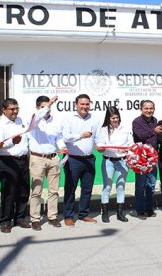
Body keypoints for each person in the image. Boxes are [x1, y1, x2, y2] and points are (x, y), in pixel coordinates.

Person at [0, 98, 46, 233]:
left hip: (22, 161)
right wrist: (12, 142)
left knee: (23, 191)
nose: (15, 111)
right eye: (11, 109)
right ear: (4, 110)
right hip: (6, 161)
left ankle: (19, 218)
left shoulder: (21, 121)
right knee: (9, 192)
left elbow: (32, 128)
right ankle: (5, 221)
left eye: (16, 108)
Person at [62, 94, 100, 226]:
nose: (85, 106)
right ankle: (68, 215)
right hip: (73, 160)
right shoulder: (68, 119)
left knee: (87, 189)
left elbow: (98, 138)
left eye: (87, 104)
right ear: (75, 105)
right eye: (82, 104)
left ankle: (84, 214)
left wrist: (101, 146)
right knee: (70, 189)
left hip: (89, 159)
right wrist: (80, 136)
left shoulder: (94, 120)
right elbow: (65, 138)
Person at [28, 96, 65, 231]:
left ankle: (52, 216)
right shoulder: (34, 119)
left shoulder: (56, 121)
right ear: (38, 107)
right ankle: (35, 218)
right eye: (44, 107)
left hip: (53, 157)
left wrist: (62, 147)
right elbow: (38, 117)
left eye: (49, 107)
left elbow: (59, 137)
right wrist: (48, 104)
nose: (47, 109)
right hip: (37, 158)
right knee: (36, 190)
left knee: (53, 190)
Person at [96, 106, 133, 223]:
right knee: (107, 187)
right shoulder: (103, 130)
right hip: (108, 161)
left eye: (117, 117)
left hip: (122, 161)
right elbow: (101, 144)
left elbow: (131, 144)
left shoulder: (125, 128)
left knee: (121, 186)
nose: (115, 120)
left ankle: (120, 213)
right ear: (108, 118)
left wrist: (126, 150)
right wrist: (101, 148)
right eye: (112, 118)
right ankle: (105, 213)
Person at [132, 100, 159, 220]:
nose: (149, 111)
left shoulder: (155, 121)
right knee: (140, 186)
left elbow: (157, 137)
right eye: (146, 108)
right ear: (141, 109)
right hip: (141, 159)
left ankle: (149, 209)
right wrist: (154, 131)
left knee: (151, 184)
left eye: (151, 108)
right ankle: (140, 211)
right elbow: (140, 135)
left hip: (153, 158)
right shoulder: (137, 122)